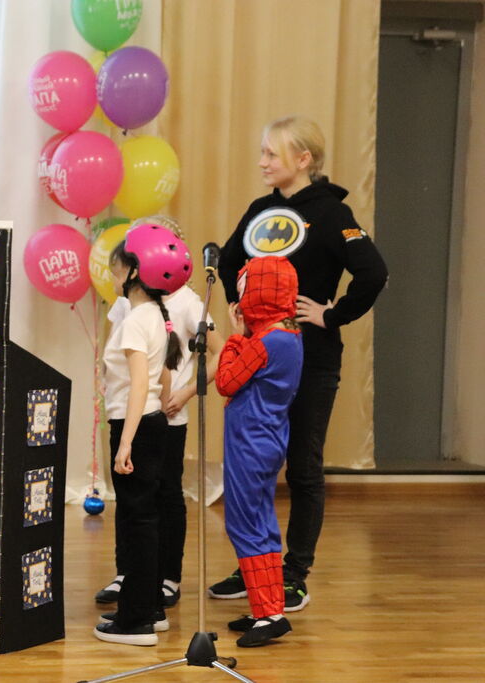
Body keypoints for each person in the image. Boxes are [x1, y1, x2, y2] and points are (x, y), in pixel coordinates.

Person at [210, 115, 387, 610]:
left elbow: (373, 272)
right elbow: (229, 261)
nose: (262, 162)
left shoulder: (332, 213)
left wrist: (332, 315)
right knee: (256, 464)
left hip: (311, 358)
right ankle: (257, 565)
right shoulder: (261, 210)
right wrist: (238, 305)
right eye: (263, 152)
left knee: (303, 468)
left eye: (272, 153)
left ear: (303, 159)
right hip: (259, 356)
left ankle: (294, 573)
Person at [94, 219, 225, 611]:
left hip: (164, 416)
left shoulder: (187, 302)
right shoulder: (128, 301)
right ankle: (129, 574)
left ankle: (167, 576)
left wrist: (183, 394)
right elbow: (126, 352)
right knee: (130, 498)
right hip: (132, 411)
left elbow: (221, 351)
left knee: (165, 495)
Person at [93, 226, 189, 647]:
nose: (113, 277)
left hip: (134, 425)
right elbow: (163, 375)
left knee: (137, 523)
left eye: (116, 269)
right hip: (152, 423)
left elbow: (138, 385)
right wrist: (160, 408)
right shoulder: (156, 316)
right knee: (146, 518)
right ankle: (148, 608)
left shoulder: (136, 320)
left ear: (134, 272)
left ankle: (135, 622)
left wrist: (127, 441)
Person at [216, 256, 303, 647]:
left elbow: (226, 381)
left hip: (249, 443)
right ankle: (267, 607)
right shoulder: (289, 337)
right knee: (262, 523)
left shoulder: (266, 342)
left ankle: (270, 615)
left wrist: (236, 337)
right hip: (266, 439)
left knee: (246, 525)